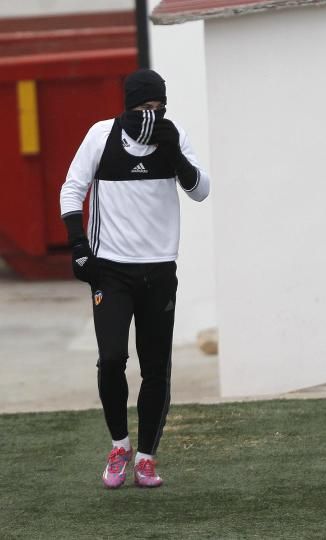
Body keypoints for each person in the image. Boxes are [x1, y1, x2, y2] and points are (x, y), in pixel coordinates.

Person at [59, 68, 211, 489]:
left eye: (157, 106)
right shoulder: (101, 135)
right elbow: (71, 189)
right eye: (144, 107)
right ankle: (119, 445)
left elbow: (201, 191)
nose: (152, 114)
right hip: (111, 269)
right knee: (111, 359)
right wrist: (78, 247)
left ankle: (146, 456)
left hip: (159, 269)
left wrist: (175, 156)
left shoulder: (173, 134)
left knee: (156, 366)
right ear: (128, 106)